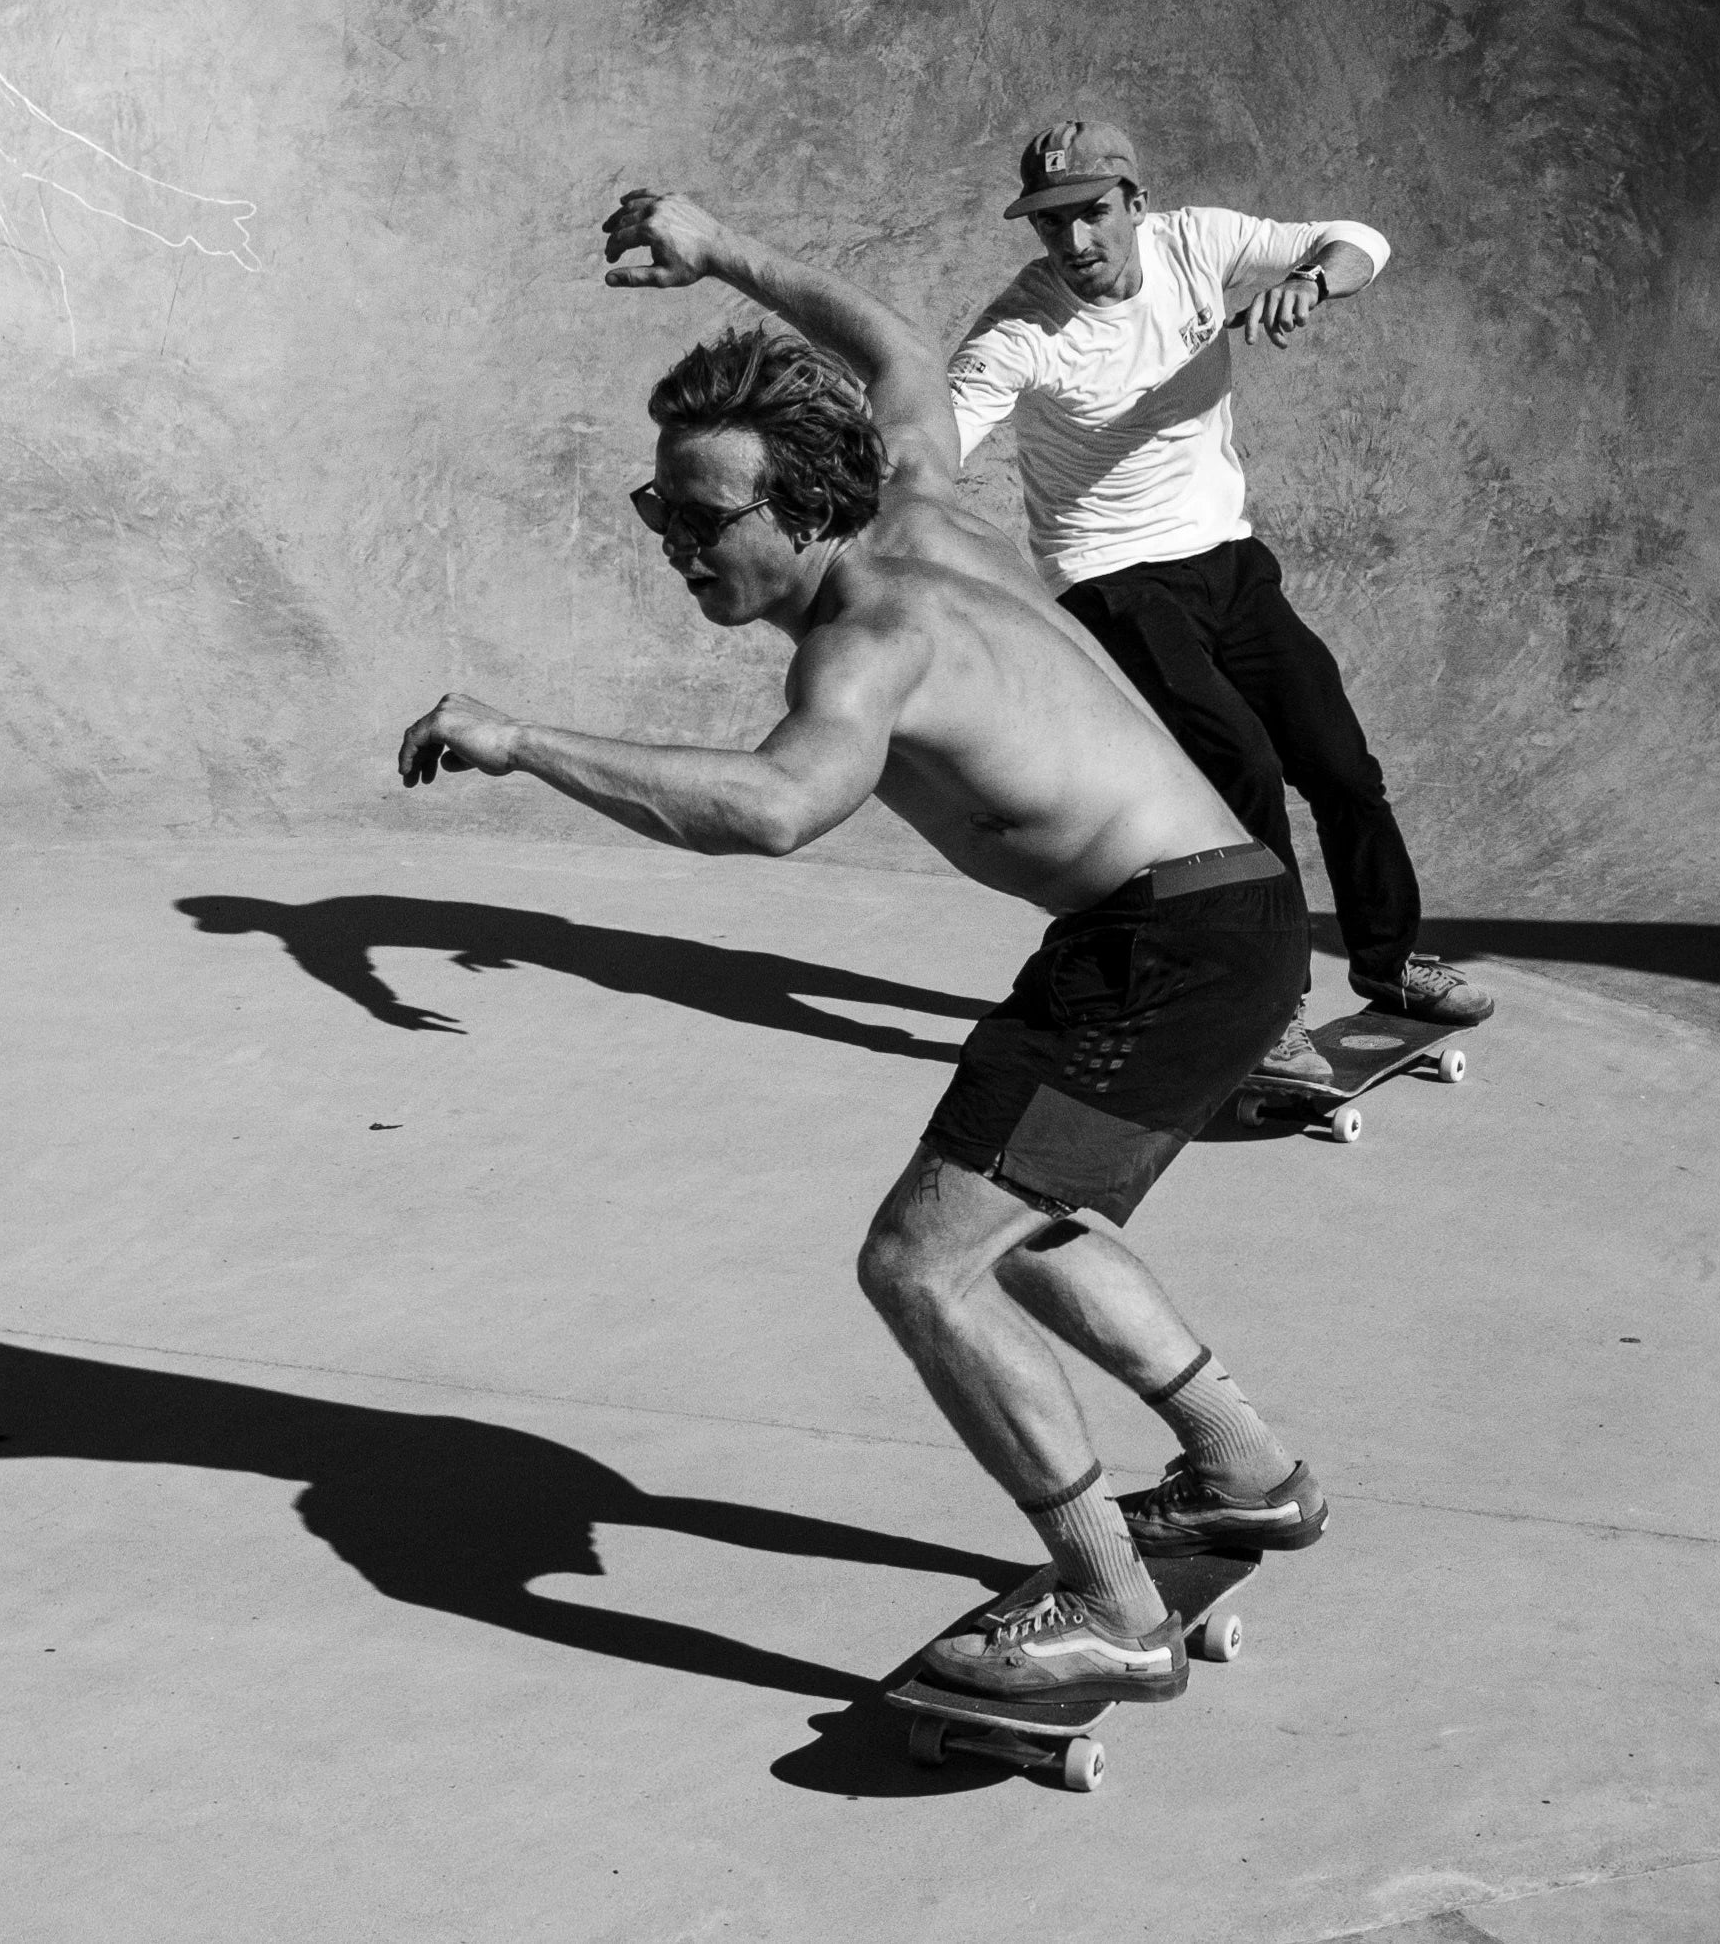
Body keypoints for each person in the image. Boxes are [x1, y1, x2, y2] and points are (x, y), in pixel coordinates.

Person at [399, 190, 1328, 1709]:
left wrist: (521, 740)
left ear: (803, 508)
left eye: (700, 521)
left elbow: (774, 808)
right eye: (659, 515)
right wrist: (716, 249)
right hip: (1203, 916)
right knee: (1015, 1220)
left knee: (920, 1263)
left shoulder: (866, 641)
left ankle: (1108, 1604)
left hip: (1165, 946)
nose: (675, 549)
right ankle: (1245, 1470)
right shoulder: (916, 490)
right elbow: (894, 349)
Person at [947, 118, 1491, 1082]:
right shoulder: (1022, 330)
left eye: (1092, 215)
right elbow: (940, 433)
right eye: (1051, 225)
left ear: (1136, 204)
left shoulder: (1197, 241)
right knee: (1238, 771)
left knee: (1338, 762)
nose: (1075, 244)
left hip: (1228, 561)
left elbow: (1363, 239)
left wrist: (1310, 282)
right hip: (1110, 579)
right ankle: (1267, 1006)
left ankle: (1391, 962)